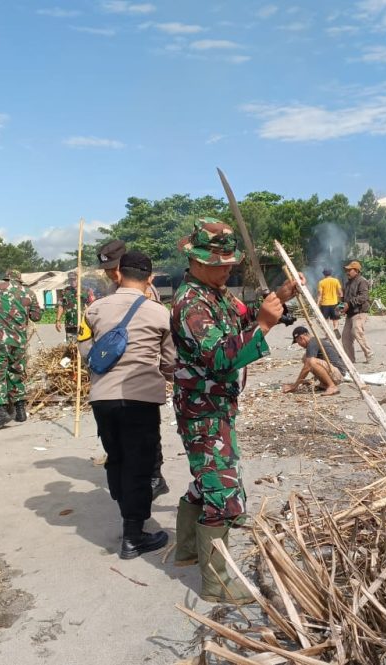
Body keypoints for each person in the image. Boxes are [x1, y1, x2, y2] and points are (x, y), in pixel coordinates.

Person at [171, 218, 300, 604]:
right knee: (222, 492)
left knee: (207, 478)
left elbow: (239, 324)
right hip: (202, 409)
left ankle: (187, 550)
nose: (227, 268)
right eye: (219, 262)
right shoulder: (191, 304)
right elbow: (220, 356)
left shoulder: (217, 294)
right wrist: (264, 324)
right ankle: (216, 583)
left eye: (230, 262)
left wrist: (279, 300)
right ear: (195, 261)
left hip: (217, 405)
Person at [79, 251, 175, 559]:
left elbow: (85, 352)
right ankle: (133, 536)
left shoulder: (94, 309)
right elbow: (171, 361)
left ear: (119, 272)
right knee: (139, 463)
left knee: (116, 457)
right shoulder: (160, 313)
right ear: (150, 278)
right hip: (140, 398)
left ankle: (126, 510)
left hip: (102, 398)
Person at [0, 269, 43, 431]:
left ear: (7, 277)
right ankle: (20, 411)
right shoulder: (29, 292)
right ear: (20, 279)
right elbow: (36, 317)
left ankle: (1, 412)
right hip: (18, 340)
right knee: (16, 374)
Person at [282, 326, 346, 396]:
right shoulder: (314, 342)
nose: (299, 345)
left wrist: (295, 385)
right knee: (306, 358)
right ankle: (325, 383)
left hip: (337, 374)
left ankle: (332, 386)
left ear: (301, 338)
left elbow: (308, 366)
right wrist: (312, 380)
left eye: (298, 342)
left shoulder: (313, 342)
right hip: (333, 372)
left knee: (311, 361)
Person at [97, 238, 162, 301]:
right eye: (107, 269)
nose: (111, 273)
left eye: (114, 268)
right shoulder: (111, 289)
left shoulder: (144, 287)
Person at [341, 260, 373, 363]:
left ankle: (369, 354)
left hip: (360, 311)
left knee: (356, 330)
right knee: (345, 337)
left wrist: (348, 304)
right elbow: (345, 299)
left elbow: (364, 297)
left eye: (350, 270)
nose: (347, 272)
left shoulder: (362, 281)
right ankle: (350, 359)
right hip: (350, 313)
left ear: (357, 271)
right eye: (347, 270)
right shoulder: (347, 283)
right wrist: (341, 306)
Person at [55, 271, 82, 344]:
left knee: (84, 346)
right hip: (70, 324)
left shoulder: (85, 290)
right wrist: (58, 320)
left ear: (78, 279)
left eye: (74, 279)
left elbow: (92, 305)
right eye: (70, 279)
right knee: (71, 347)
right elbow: (61, 306)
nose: (72, 281)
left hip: (83, 324)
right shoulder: (65, 291)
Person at [317, 269, 343, 333]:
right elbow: (340, 293)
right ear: (331, 273)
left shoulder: (321, 282)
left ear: (324, 274)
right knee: (335, 319)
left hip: (325, 304)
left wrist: (317, 304)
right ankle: (335, 329)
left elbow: (320, 295)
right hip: (334, 303)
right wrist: (341, 303)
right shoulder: (336, 281)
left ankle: (327, 334)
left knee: (326, 320)